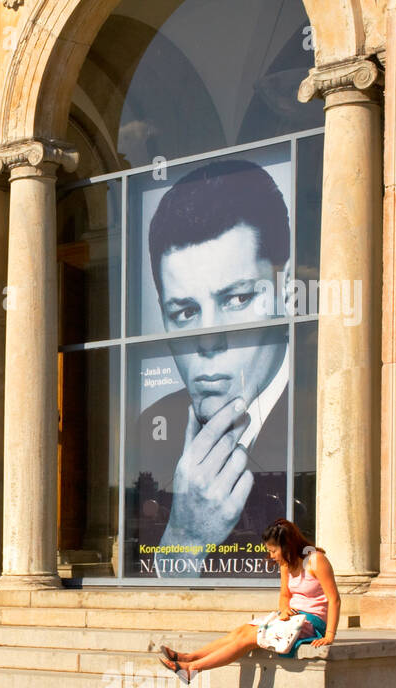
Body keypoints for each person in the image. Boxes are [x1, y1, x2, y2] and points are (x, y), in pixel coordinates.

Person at [132, 158, 295, 578]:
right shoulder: (154, 423)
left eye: (237, 300)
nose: (208, 340)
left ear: (285, 291)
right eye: (185, 311)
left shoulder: (325, 415)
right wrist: (184, 538)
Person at [158, 518, 340, 682]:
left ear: (287, 545)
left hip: (312, 621)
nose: (271, 556)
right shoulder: (286, 564)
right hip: (290, 617)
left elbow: (334, 600)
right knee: (240, 632)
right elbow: (285, 596)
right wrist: (284, 610)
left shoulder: (316, 560)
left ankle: (193, 668)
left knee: (249, 639)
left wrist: (329, 635)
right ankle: (189, 658)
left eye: (274, 551)